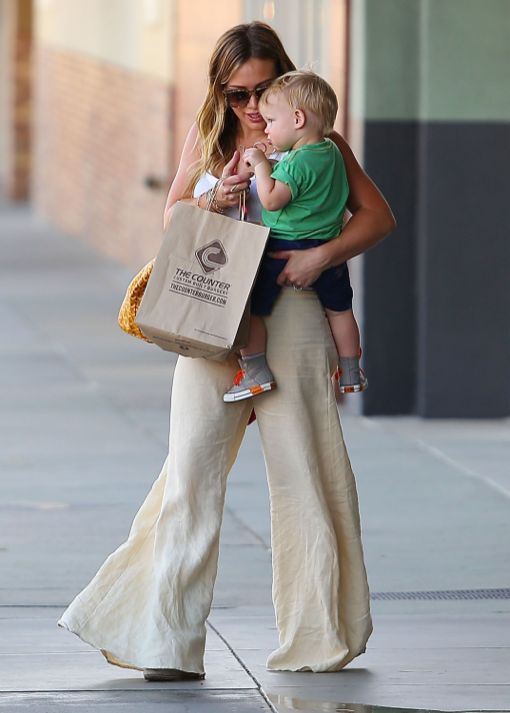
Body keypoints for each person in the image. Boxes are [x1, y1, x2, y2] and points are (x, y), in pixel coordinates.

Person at [57, 21, 396, 681]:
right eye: (235, 91)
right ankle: (164, 643)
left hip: (294, 317)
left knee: (305, 472)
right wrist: (219, 193)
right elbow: (175, 210)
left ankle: (319, 637)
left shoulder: (316, 141)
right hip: (217, 315)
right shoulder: (210, 132)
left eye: (260, 90)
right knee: (189, 473)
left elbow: (377, 216)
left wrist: (321, 256)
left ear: (284, 84)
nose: (248, 105)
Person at [223, 70, 367, 404]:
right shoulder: (331, 152)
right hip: (328, 245)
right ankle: (350, 370)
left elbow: (272, 199)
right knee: (341, 310)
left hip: (286, 246)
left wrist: (260, 163)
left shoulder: (297, 161)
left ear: (298, 119)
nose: (267, 128)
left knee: (251, 309)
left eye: (272, 120)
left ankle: (256, 370)